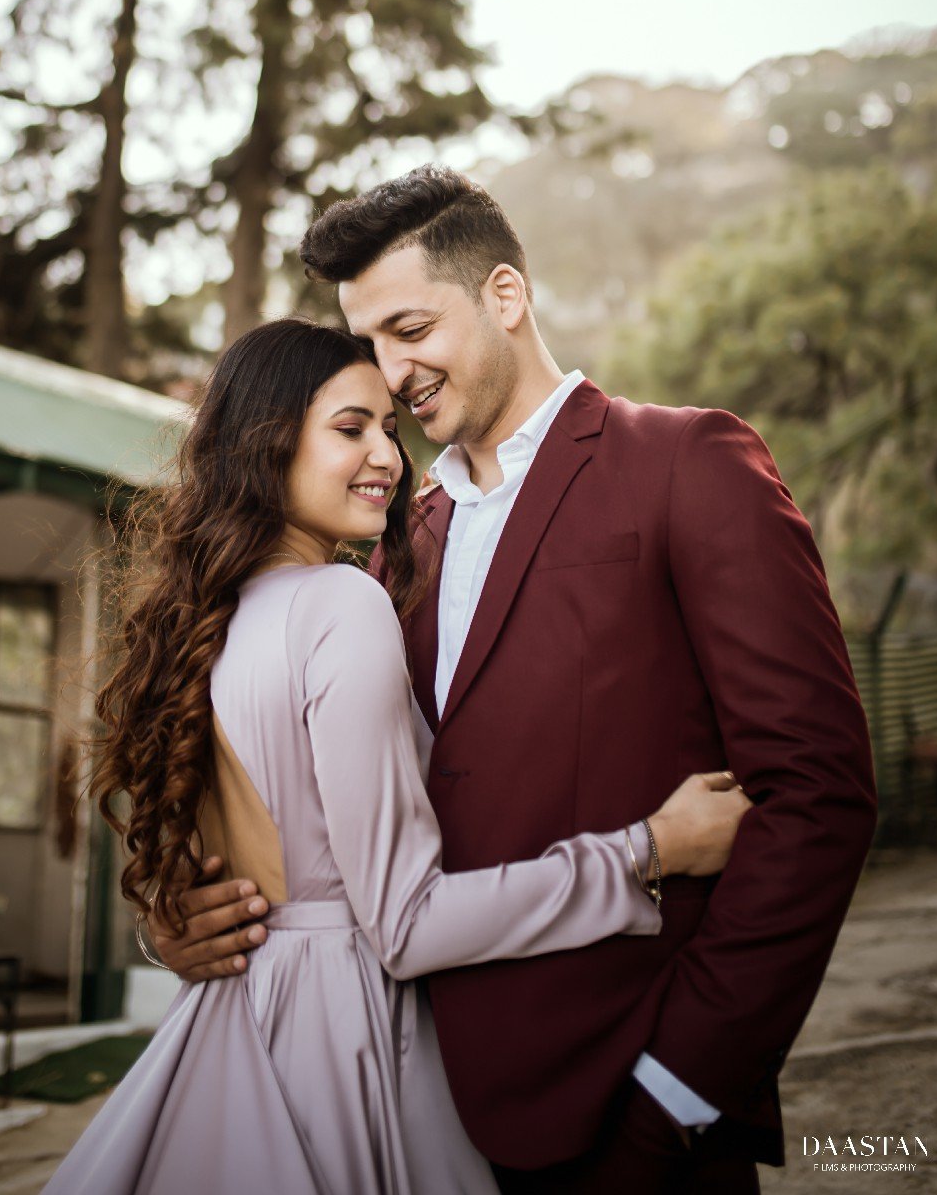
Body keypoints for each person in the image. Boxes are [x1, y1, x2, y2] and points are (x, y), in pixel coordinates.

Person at [157, 168, 879, 1194]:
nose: (390, 372)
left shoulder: (687, 462)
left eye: (410, 329)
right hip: (418, 1113)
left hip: (631, 1104)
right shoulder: (390, 548)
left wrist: (680, 1089)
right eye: (369, 344)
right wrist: (192, 920)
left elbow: (816, 795)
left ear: (504, 295)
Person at [43, 317, 750, 1195]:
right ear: (264, 443)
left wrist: (169, 933)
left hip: (230, 1025)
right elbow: (406, 926)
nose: (386, 456)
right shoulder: (341, 603)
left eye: (389, 426)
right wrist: (646, 851)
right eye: (350, 429)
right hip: (343, 1040)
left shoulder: (203, 624)